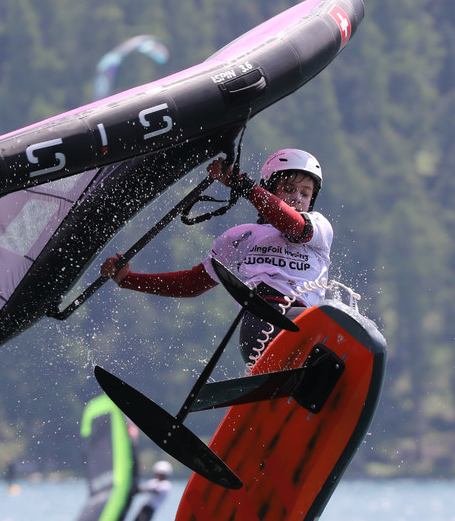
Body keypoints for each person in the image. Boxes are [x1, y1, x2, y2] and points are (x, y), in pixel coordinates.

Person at [101, 149, 332, 367]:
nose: (297, 198)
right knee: (328, 325)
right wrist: (129, 280)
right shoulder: (241, 236)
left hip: (303, 322)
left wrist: (243, 185)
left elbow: (294, 225)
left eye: (305, 193)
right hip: (259, 326)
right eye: (289, 189)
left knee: (333, 320)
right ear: (270, 188)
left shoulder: (319, 229)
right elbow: (191, 284)